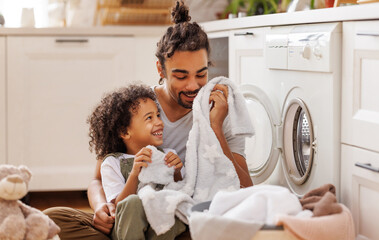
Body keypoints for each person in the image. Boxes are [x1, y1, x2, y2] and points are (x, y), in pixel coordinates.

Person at [44, 1, 253, 239]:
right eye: (181, 75)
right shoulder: (141, 107)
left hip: (180, 215)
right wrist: (102, 207)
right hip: (131, 211)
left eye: (201, 74)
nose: (193, 85)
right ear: (161, 70)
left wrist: (215, 128)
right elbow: (97, 178)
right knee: (51, 218)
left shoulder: (220, 110)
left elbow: (247, 189)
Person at [87, 84, 186, 239]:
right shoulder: (113, 163)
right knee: (133, 202)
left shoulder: (168, 155)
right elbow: (120, 206)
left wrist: (177, 172)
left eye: (158, 115)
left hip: (158, 224)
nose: (159, 122)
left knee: (172, 205)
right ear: (125, 132)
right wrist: (134, 174)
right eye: (149, 118)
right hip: (127, 227)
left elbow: (180, 188)